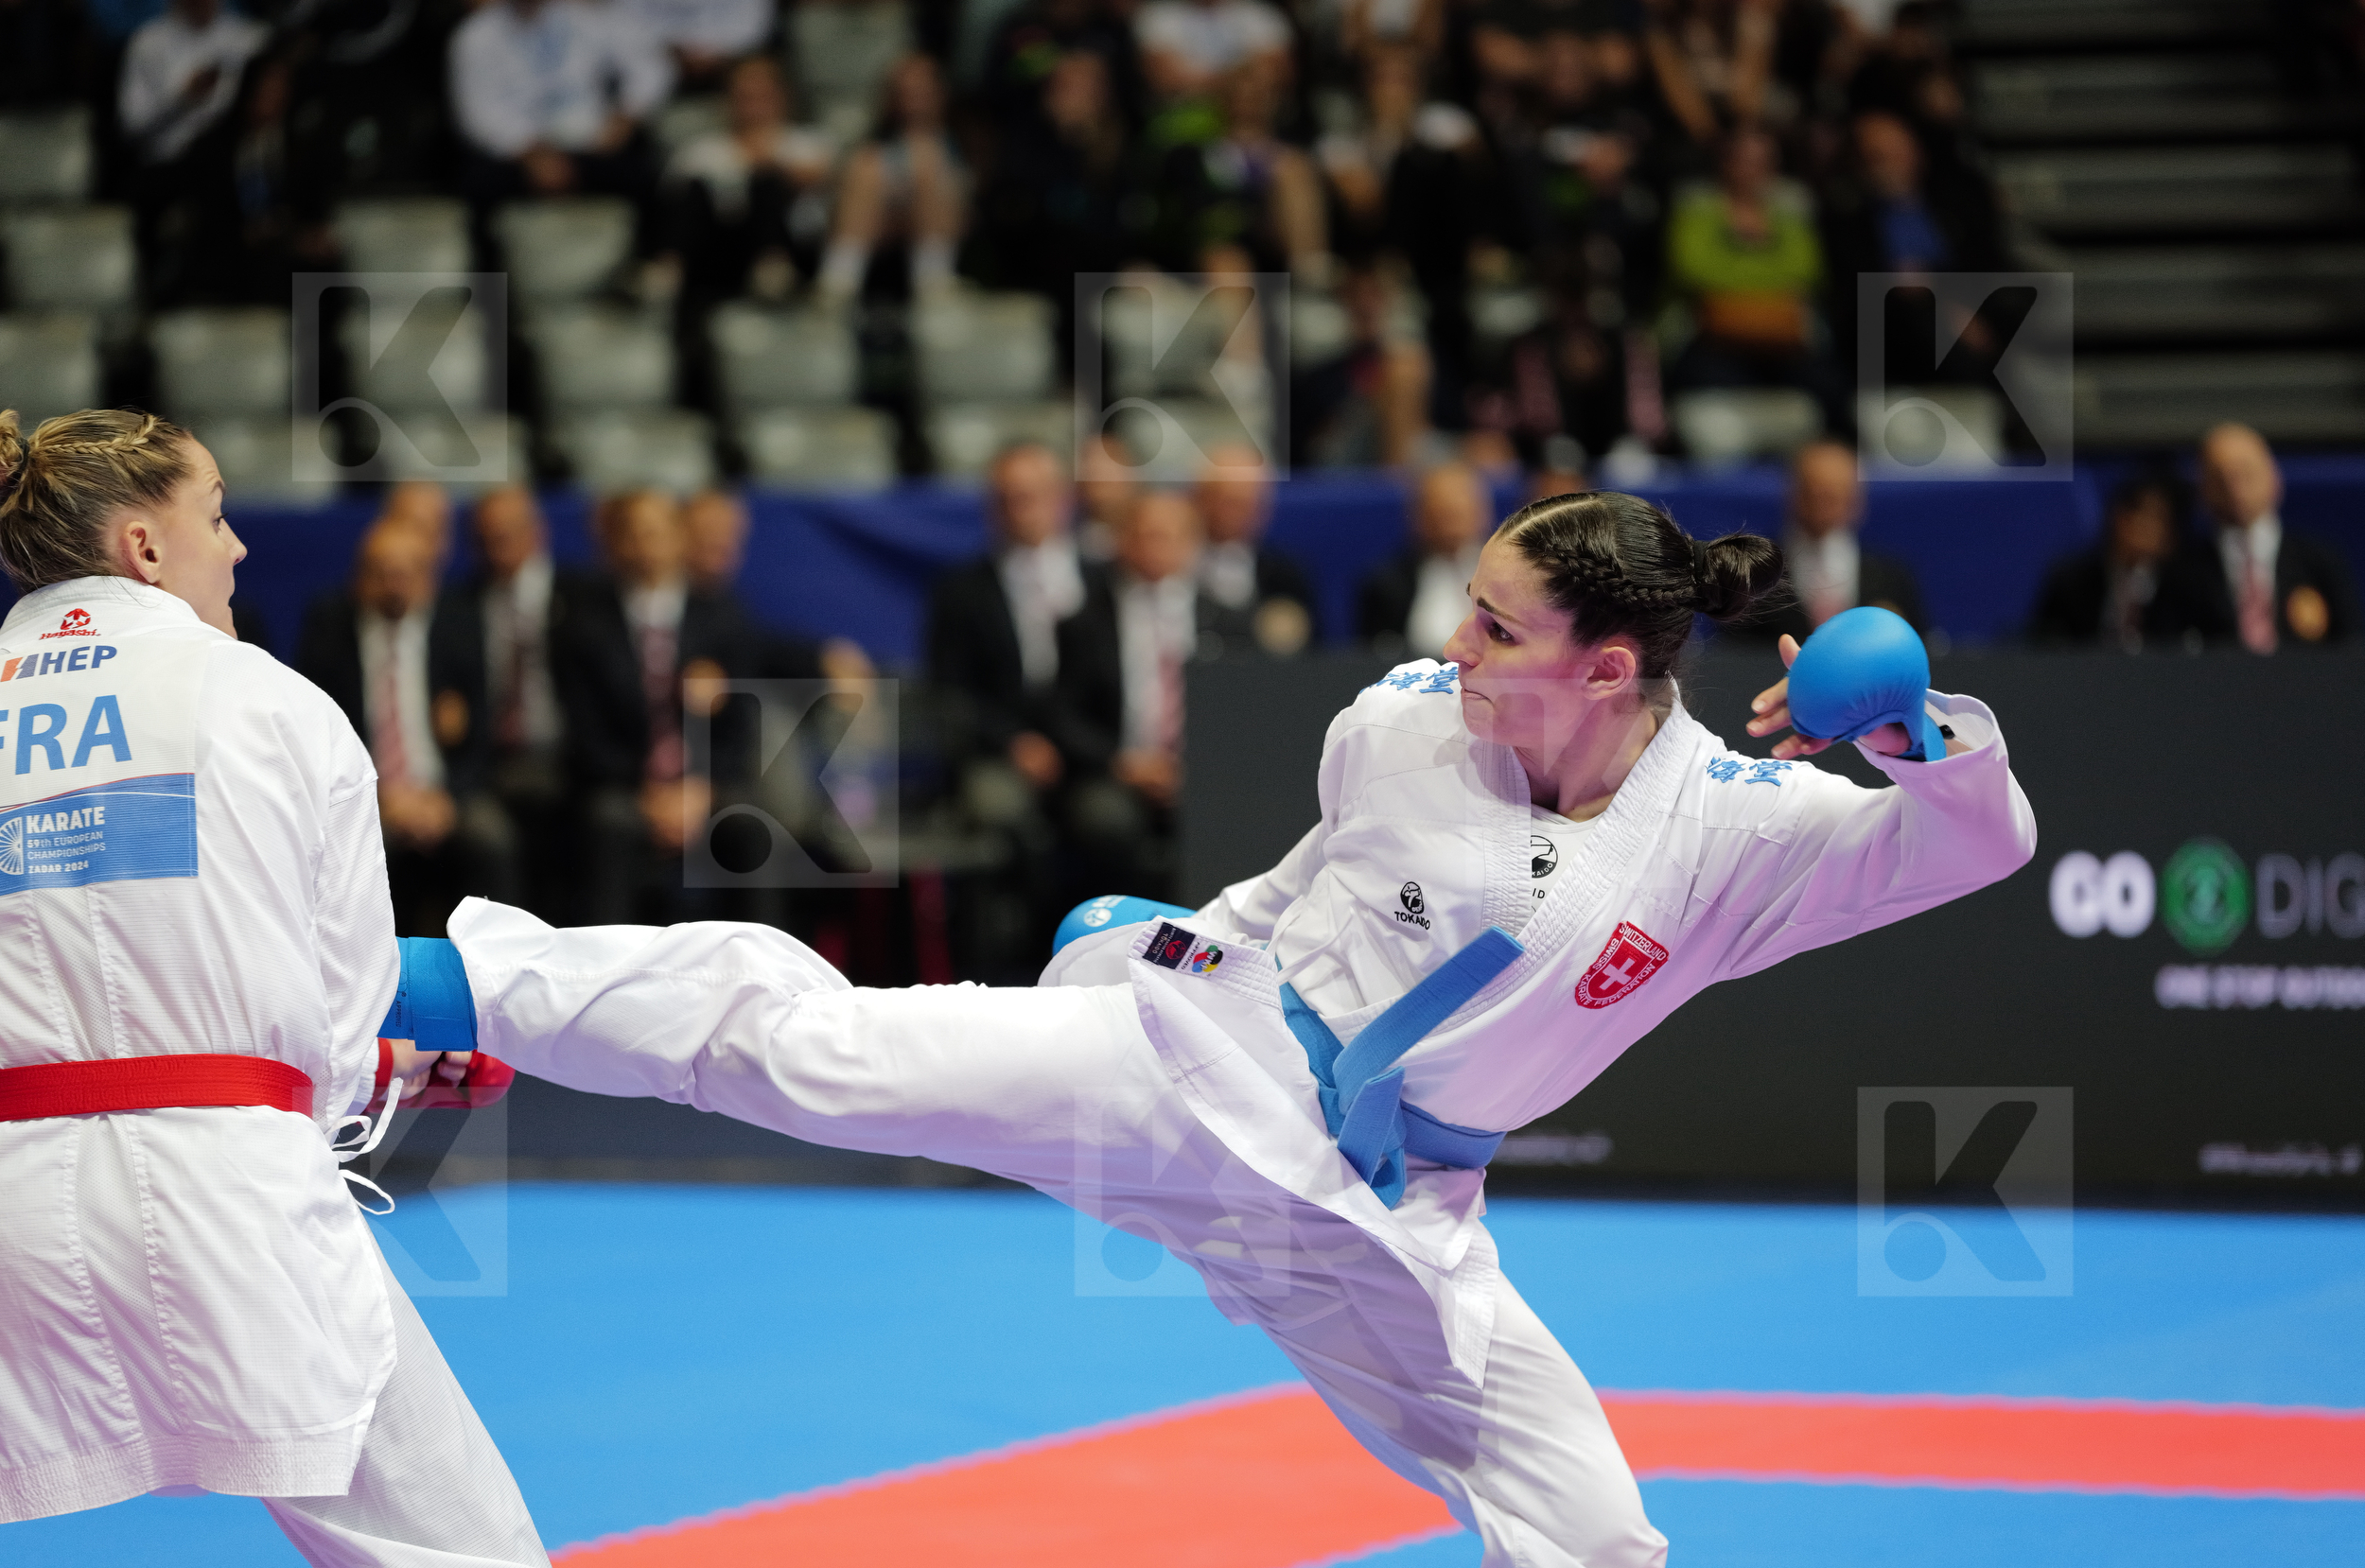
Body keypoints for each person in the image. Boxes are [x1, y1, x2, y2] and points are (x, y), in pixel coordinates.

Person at [431, 486, 2035, 1568]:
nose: (1452, 643)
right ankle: (453, 986)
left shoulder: (1738, 835)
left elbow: (1976, 844)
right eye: (1464, 608)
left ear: (1606, 667)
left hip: (1392, 1220)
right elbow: (1291, 896)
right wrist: (1139, 949)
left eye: (1495, 625)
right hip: (1192, 1076)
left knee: (1592, 1527)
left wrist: (1911, 733)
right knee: (826, 1048)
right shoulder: (1398, 723)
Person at [0, 408, 544, 1561]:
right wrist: (367, 1075)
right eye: (217, 512)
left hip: (11, 1196)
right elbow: (346, 1009)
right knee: (454, 1543)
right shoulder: (269, 699)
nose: (239, 546)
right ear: (146, 546)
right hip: (233, 1187)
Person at [297, 519, 515, 931]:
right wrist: (380, 798)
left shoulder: (459, 627)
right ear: (359, 578)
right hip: (366, 796)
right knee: (355, 849)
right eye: (381, 572)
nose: (394, 585)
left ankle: (493, 965)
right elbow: (316, 735)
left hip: (447, 791)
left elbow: (484, 730)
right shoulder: (330, 630)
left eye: (407, 573)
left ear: (429, 580)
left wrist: (446, 797)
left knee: (492, 839)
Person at [448, 485, 643, 918]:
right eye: (486, 538)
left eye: (508, 534)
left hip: (579, 763)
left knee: (608, 823)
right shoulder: (459, 606)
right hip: (493, 766)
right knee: (486, 837)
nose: (497, 549)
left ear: (537, 532)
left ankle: (600, 965)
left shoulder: (588, 598)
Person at [1050, 487, 1252, 900]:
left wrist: (1198, 767)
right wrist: (1122, 763)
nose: (1154, 546)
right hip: (1117, 771)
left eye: (1168, 535)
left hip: (1206, 773)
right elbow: (1063, 716)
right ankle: (1124, 933)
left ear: (1194, 543)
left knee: (1244, 814)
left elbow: (1247, 711)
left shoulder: (1228, 622)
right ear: (1121, 541)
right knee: (1103, 820)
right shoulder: (1084, 624)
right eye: (1144, 534)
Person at [2149, 422, 2357, 651]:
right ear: (2203, 489)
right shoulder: (2180, 573)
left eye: (2245, 473)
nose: (2234, 488)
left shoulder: (2320, 562)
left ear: (2274, 478)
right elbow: (2164, 655)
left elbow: (2350, 648)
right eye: (2220, 478)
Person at [1735, 438, 1924, 643]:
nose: (1822, 507)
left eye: (1834, 495)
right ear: (1794, 494)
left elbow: (1918, 648)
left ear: (1856, 499)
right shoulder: (1756, 572)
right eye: (1814, 494)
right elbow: (1733, 654)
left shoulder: (1890, 577)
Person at [815, 52, 967, 303]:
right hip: (878, 226)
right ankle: (836, 290)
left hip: (946, 218)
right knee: (865, 169)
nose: (912, 102)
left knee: (927, 163)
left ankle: (935, 290)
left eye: (920, 92)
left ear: (940, 93)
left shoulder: (963, 138)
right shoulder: (873, 145)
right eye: (904, 93)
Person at [2026, 472, 2183, 649]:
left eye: (2157, 518)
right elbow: (2042, 645)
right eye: (2136, 513)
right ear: (2117, 517)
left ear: (2171, 534)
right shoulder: (2071, 582)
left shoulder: (2185, 589)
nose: (2144, 527)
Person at [1358, 460, 1493, 654]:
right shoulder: (1386, 584)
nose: (1451, 527)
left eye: (1459, 513)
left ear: (1482, 512)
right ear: (1419, 518)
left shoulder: (1514, 576)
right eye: (1442, 514)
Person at [1194, 442, 1314, 654]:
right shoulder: (1176, 566)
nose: (1243, 514)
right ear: (1203, 499)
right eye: (1231, 502)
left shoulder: (1285, 575)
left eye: (1252, 502)